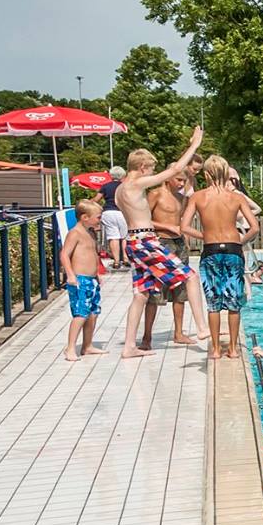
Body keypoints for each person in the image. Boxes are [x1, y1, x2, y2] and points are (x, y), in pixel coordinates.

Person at [112, 127, 209, 359]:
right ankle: (202, 328)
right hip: (145, 240)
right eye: (151, 169)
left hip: (133, 242)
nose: (152, 173)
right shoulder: (134, 185)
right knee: (191, 277)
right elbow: (175, 169)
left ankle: (128, 347)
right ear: (143, 168)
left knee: (141, 294)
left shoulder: (118, 190)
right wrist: (194, 145)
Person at [183, 155, 259, 360]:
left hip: (211, 251)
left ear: (207, 174)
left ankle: (216, 349)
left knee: (213, 303)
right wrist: (240, 242)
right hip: (233, 250)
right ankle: (233, 349)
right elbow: (254, 227)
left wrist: (204, 236)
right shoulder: (236, 198)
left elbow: (184, 227)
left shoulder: (198, 197)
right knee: (234, 303)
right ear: (226, 174)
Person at [138, 164, 197, 350]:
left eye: (184, 181)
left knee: (180, 291)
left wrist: (184, 239)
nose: (181, 184)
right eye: (179, 179)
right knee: (154, 292)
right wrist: (168, 227)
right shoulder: (155, 194)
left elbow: (182, 221)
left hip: (178, 244)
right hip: (161, 243)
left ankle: (179, 333)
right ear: (168, 178)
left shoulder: (181, 198)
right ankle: (146, 337)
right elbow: (143, 219)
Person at [59, 200, 106, 361]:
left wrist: (97, 273)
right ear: (85, 217)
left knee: (93, 313)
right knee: (81, 314)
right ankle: (70, 348)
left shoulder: (90, 232)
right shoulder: (75, 233)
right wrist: (70, 275)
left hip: (91, 279)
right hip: (79, 280)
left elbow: (92, 254)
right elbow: (64, 254)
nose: (100, 220)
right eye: (98, 217)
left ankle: (87, 345)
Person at [98, 169, 130, 270]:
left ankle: (116, 261)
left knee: (113, 237)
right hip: (122, 212)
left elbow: (96, 199)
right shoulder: (125, 186)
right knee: (124, 236)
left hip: (108, 212)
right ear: (123, 176)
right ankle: (125, 258)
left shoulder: (105, 186)